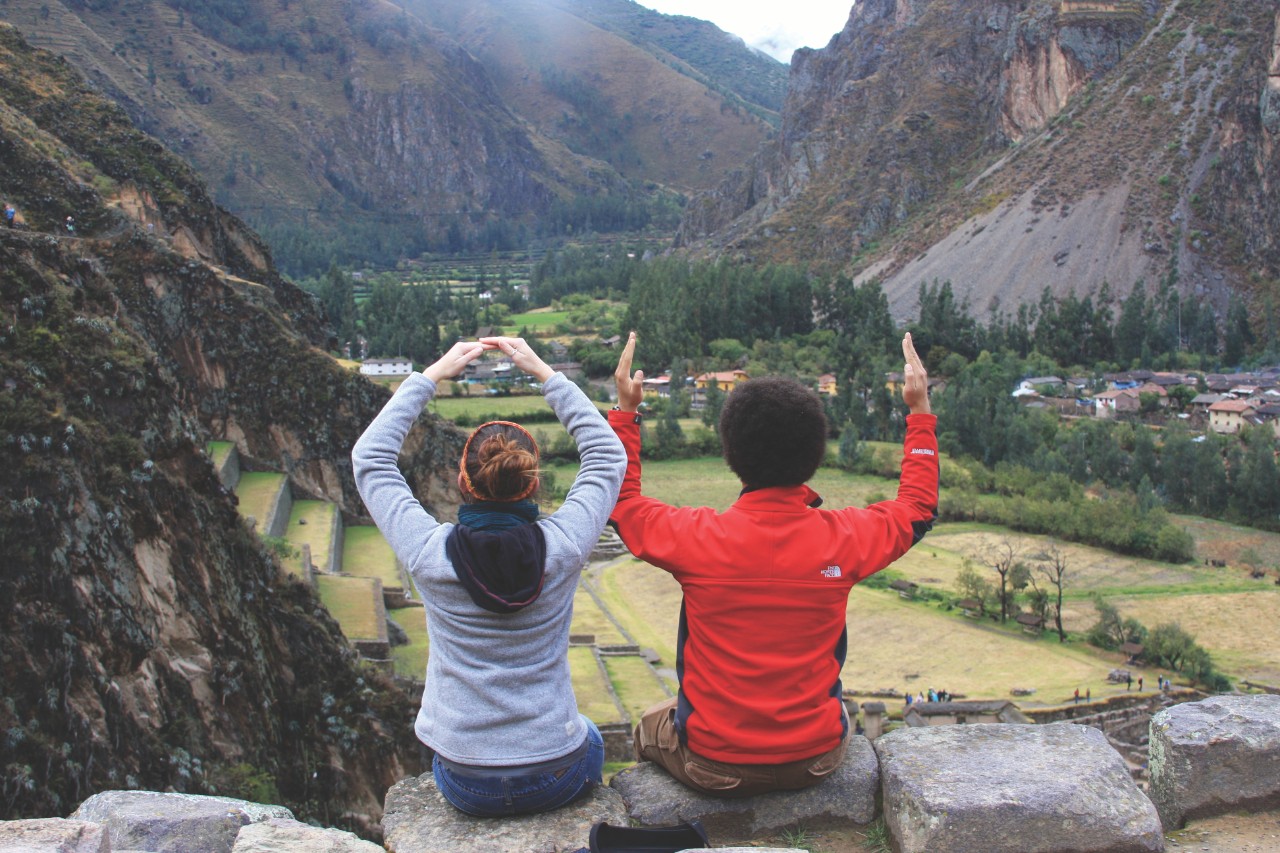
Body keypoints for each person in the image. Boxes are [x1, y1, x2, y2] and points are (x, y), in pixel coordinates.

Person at [608, 331, 938, 797]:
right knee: (839, 708)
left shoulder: (698, 538)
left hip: (713, 764)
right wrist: (919, 412)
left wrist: (625, 412)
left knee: (649, 726)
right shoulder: (844, 539)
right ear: (814, 454)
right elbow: (918, 507)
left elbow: (621, 503)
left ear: (731, 454)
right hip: (817, 761)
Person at [352, 337, 625, 817]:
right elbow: (607, 456)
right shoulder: (564, 547)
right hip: (553, 771)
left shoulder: (428, 554)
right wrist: (545, 372)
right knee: (591, 735)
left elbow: (370, 460)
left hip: (464, 779)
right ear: (533, 484)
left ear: (463, 484)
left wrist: (429, 376)